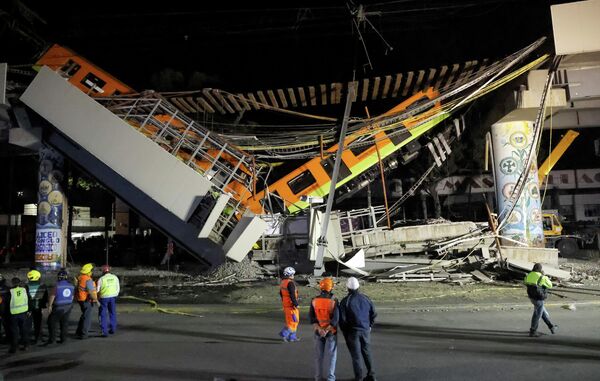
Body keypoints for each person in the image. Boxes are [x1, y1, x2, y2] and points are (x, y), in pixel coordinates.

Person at [339, 277, 377, 381]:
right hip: (365, 330)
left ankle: (358, 378)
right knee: (367, 353)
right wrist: (369, 325)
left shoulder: (345, 301)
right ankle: (372, 376)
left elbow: (342, 320)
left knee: (356, 356)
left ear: (347, 287)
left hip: (352, 332)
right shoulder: (366, 298)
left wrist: (345, 332)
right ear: (358, 286)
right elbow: (373, 313)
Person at [309, 276, 339, 381]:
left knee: (318, 357)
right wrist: (326, 330)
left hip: (318, 332)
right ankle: (330, 378)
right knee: (332, 356)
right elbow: (335, 319)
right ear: (331, 288)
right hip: (330, 332)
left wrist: (319, 329)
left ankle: (318, 377)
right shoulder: (334, 301)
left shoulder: (314, 300)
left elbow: (312, 318)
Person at [524, 263, 558, 337]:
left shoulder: (528, 275)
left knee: (541, 312)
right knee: (537, 315)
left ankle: (551, 326)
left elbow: (525, 282)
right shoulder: (542, 277)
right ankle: (533, 331)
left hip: (531, 297)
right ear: (540, 269)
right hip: (539, 298)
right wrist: (544, 276)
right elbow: (550, 285)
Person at [46, 268, 75, 344]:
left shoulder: (57, 286)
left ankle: (52, 339)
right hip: (68, 307)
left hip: (58, 307)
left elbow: (52, 296)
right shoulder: (71, 286)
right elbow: (72, 297)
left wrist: (49, 306)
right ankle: (63, 339)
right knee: (64, 323)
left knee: (52, 322)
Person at [8, 277, 32, 353]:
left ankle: (14, 348)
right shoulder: (24, 289)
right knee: (24, 330)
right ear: (19, 283)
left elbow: (7, 303)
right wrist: (29, 310)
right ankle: (26, 345)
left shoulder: (10, 291)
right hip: (24, 312)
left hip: (13, 313)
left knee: (14, 331)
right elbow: (29, 299)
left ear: (12, 283)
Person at [75, 263, 98, 339]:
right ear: (89, 271)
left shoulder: (80, 277)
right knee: (87, 317)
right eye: (92, 271)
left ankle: (79, 331)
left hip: (80, 299)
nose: (92, 272)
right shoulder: (88, 279)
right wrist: (97, 301)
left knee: (84, 315)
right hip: (86, 300)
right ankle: (84, 334)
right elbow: (90, 292)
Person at [96, 265, 120, 337]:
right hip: (113, 297)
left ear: (103, 271)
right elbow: (118, 288)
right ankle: (113, 329)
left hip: (104, 298)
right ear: (109, 270)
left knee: (103, 314)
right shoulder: (115, 277)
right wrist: (115, 295)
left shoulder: (101, 279)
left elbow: (97, 290)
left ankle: (104, 332)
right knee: (112, 313)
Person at [279, 266, 300, 342]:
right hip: (291, 306)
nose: (293, 276)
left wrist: (285, 302)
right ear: (290, 275)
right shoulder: (290, 283)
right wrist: (296, 304)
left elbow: (281, 294)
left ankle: (292, 337)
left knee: (290, 321)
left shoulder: (283, 282)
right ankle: (284, 333)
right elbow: (292, 295)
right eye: (293, 274)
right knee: (294, 321)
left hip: (286, 305)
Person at [27, 269, 48, 344]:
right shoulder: (43, 286)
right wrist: (43, 307)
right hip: (38, 307)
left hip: (28, 308)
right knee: (38, 323)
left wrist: (28, 310)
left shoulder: (26, 286)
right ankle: (38, 338)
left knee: (27, 324)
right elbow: (45, 298)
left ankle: (26, 339)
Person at [0, 274, 11, 343]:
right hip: (6, 310)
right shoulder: (8, 288)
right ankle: (8, 338)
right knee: (7, 325)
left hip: (2, 310)